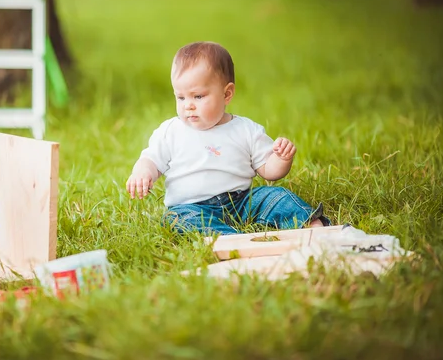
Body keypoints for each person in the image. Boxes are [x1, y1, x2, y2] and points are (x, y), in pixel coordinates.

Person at [126, 41, 330, 235]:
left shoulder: (246, 130)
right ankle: (228, 238)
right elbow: (150, 160)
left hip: (241, 202)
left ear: (227, 94)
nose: (188, 105)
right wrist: (142, 173)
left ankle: (313, 226)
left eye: (198, 96)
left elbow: (269, 171)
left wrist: (282, 158)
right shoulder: (170, 131)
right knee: (177, 219)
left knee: (276, 196)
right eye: (181, 97)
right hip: (191, 207)